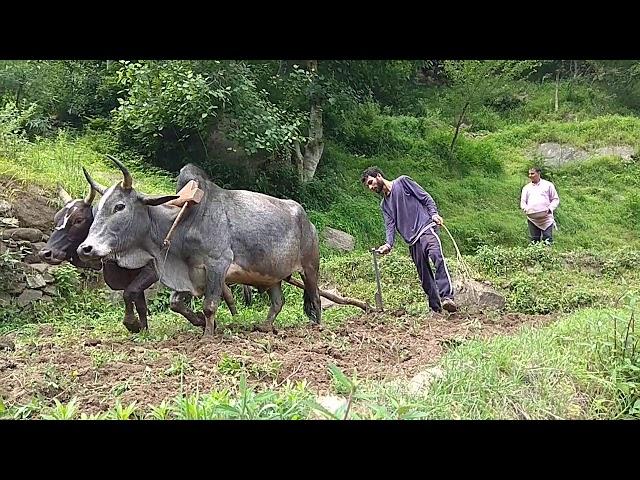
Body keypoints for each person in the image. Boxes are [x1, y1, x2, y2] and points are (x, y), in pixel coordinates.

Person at [361, 166, 457, 314]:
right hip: (412, 241)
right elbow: (390, 225)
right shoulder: (384, 205)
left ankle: (447, 297)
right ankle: (436, 309)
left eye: (370, 182)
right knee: (424, 276)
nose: (371, 187)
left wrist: (434, 214)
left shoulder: (403, 182)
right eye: (368, 185)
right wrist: (388, 244)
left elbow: (425, 197)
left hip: (426, 228)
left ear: (378, 176)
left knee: (436, 256)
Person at [520, 167, 560, 244]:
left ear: (538, 174)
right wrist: (526, 209)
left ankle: (547, 254)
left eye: (532, 173)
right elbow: (523, 202)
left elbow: (555, 199)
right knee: (534, 240)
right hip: (532, 218)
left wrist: (550, 208)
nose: (530, 175)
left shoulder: (548, 185)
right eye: (529, 174)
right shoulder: (526, 188)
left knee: (547, 239)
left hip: (546, 217)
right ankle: (535, 255)